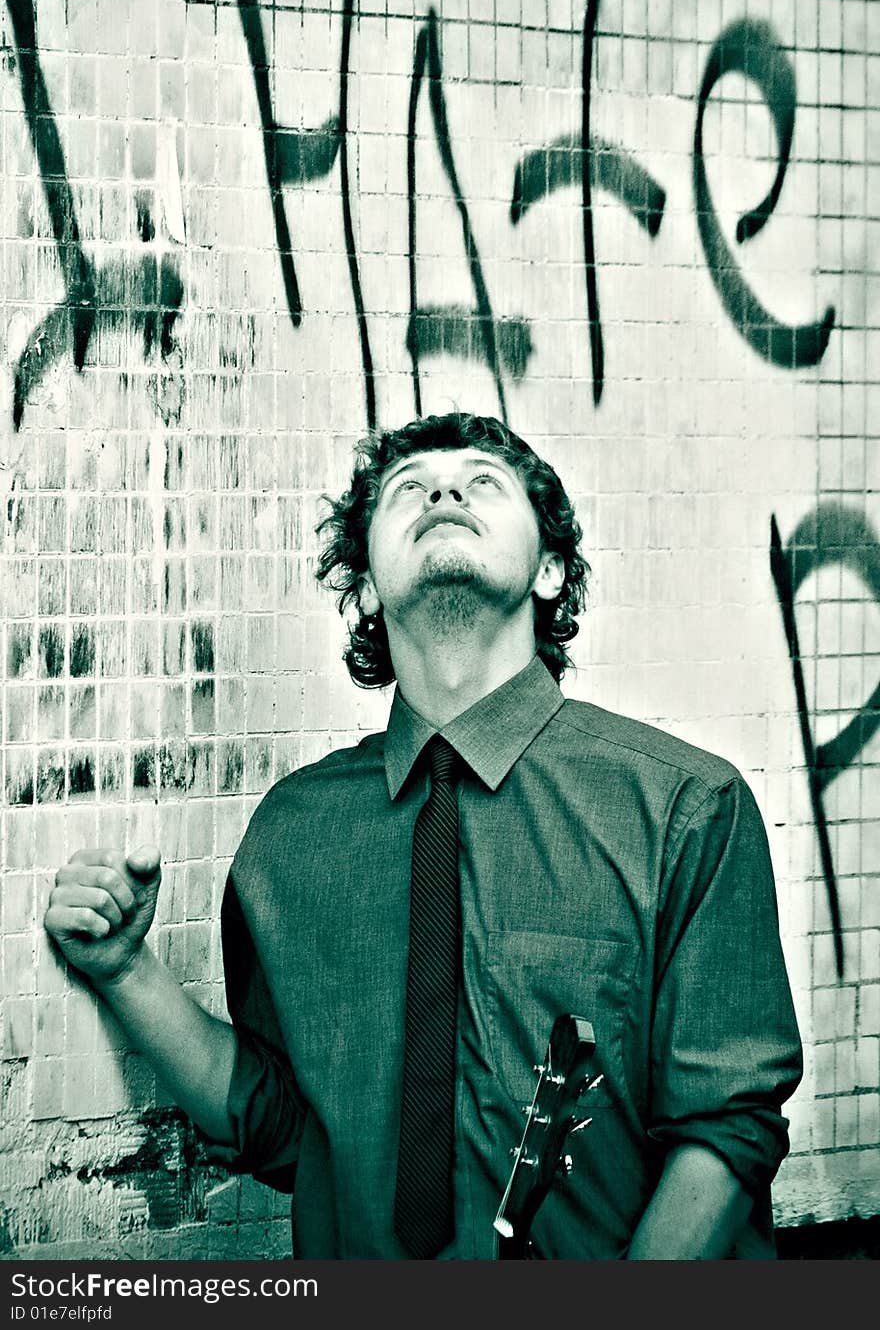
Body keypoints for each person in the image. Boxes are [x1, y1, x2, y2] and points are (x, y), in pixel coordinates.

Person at [44, 411, 802, 1260]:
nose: (444, 491)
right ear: (365, 584)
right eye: (409, 490)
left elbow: (728, 1127)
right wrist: (122, 970)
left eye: (484, 483)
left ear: (550, 570)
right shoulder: (291, 836)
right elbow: (282, 1124)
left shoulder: (686, 806)